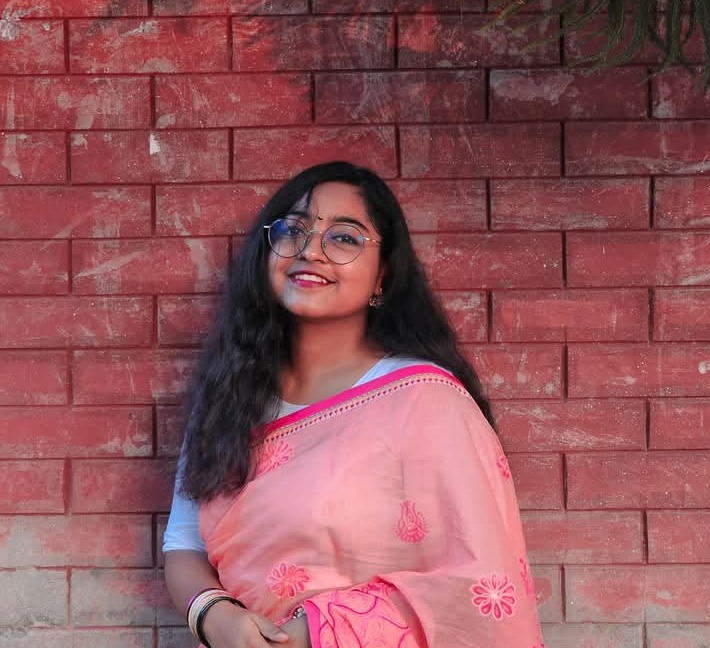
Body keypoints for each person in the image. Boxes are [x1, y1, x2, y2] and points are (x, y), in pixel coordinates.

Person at [163, 161, 543, 648]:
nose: (310, 251)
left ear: (382, 275)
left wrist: (317, 630)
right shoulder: (227, 398)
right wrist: (215, 616)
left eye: (343, 238)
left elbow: (479, 579)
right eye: (293, 230)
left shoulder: (425, 400)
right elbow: (184, 544)